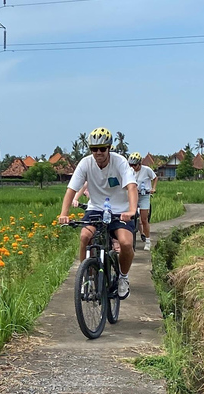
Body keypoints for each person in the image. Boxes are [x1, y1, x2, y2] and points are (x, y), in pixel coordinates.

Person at [58, 127, 138, 299]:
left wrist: (131, 210)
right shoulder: (85, 163)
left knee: (125, 243)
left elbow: (131, 187)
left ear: (109, 148)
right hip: (95, 208)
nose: (98, 152)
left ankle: (123, 277)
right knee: (85, 237)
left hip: (120, 210)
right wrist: (64, 213)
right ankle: (86, 275)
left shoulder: (120, 162)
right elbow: (71, 189)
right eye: (94, 149)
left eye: (102, 149)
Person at [128, 152, 157, 251]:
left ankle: (148, 241)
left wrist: (153, 188)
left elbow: (155, 178)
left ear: (139, 163)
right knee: (129, 217)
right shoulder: (130, 171)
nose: (133, 167)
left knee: (144, 219)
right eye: (131, 165)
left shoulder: (147, 170)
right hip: (134, 195)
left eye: (135, 165)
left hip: (144, 195)